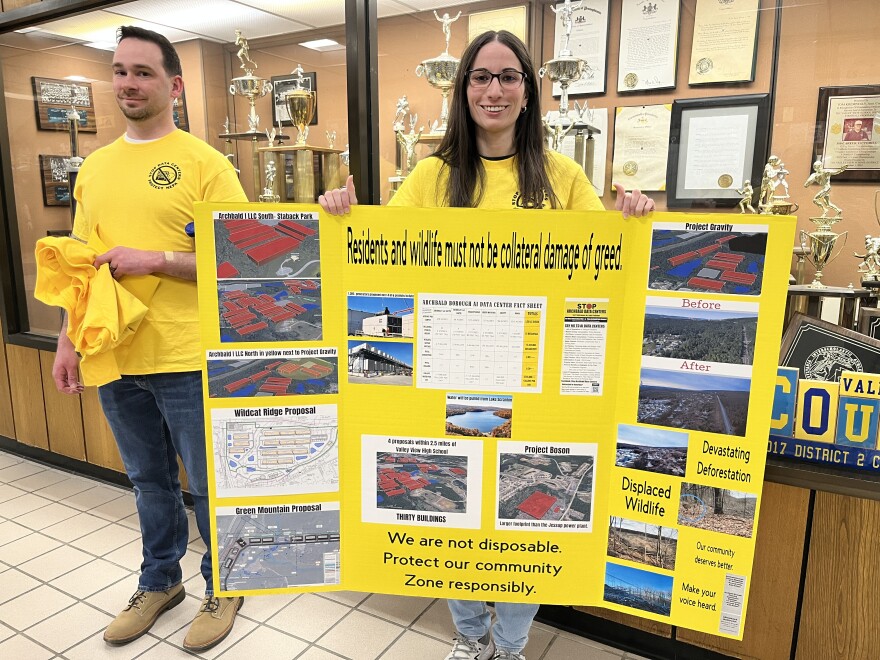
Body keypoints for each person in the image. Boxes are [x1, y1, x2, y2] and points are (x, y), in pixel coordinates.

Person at [320, 30, 654, 660]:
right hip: (447, 374)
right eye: (480, 77)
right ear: (463, 90)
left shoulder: (563, 176)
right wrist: (343, 215)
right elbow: (379, 267)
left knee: (524, 524)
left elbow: (609, 266)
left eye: (508, 77)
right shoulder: (428, 177)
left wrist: (633, 219)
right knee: (455, 520)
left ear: (528, 92)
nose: (494, 90)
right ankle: (471, 641)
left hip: (538, 379)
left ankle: (512, 645)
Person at [51, 26, 248, 652]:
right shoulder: (96, 168)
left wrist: (158, 260)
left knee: (206, 485)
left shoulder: (206, 163)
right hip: (114, 354)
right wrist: (67, 341)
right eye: (119, 71)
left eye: (143, 72)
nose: (128, 83)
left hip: (189, 355)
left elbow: (243, 261)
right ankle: (160, 581)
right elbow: (77, 267)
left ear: (174, 84)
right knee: (148, 481)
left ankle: (226, 584)